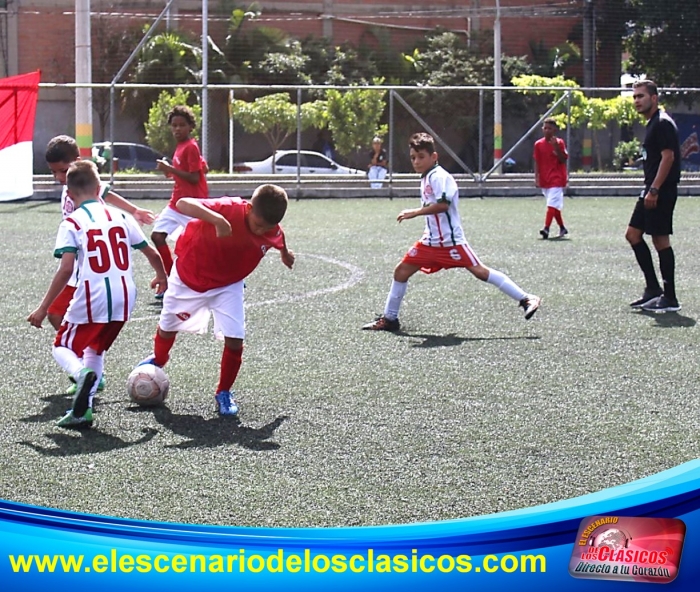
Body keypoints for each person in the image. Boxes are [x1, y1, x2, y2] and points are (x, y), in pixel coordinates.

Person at [27, 161, 168, 428]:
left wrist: (43, 307)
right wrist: (162, 277)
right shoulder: (122, 216)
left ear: (69, 194)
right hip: (126, 296)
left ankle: (81, 375)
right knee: (95, 349)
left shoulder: (71, 221)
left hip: (93, 294)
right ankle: (84, 411)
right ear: (98, 187)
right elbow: (151, 252)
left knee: (61, 347)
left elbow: (66, 268)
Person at [136, 184, 295, 417]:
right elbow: (183, 204)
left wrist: (285, 254)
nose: (261, 231)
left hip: (228, 285)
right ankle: (159, 359)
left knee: (235, 339)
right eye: (258, 224)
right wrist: (218, 220)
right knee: (168, 328)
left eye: (267, 227)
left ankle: (223, 392)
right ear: (249, 208)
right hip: (188, 278)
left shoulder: (271, 229)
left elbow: (278, 236)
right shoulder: (229, 208)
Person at [362, 132, 541, 332]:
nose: (416, 161)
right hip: (430, 243)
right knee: (401, 272)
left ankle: (526, 298)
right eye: (413, 157)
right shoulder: (427, 177)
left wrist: (415, 212)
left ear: (434, 157)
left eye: (421, 157)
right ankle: (390, 319)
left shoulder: (439, 177)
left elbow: (443, 205)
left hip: (451, 242)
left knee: (480, 271)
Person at [45, 135, 156, 394]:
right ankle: (88, 372)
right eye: (54, 173)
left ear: (77, 163)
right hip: (88, 265)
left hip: (89, 270)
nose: (59, 177)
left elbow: (109, 193)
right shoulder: (73, 186)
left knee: (53, 315)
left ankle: (85, 372)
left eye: (62, 170)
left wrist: (135, 210)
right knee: (60, 317)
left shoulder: (83, 187)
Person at [626, 80, 682, 313]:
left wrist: (655, 189)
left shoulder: (662, 123)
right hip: (650, 190)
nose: (637, 100)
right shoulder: (653, 124)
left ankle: (670, 298)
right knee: (633, 235)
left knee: (660, 241)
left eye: (641, 96)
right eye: (635, 97)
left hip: (660, 192)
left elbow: (668, 157)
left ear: (654, 98)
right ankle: (653, 289)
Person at [153, 105, 209, 298]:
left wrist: (171, 169)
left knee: (203, 246)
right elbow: (199, 170)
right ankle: (169, 280)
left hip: (192, 205)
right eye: (174, 125)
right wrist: (168, 170)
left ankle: (230, 277)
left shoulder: (191, 146)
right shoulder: (182, 147)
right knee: (157, 236)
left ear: (190, 127)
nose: (177, 129)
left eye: (182, 125)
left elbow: (194, 178)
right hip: (176, 203)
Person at [533, 118, 569, 239]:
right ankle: (562, 228)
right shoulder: (538, 144)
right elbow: (537, 161)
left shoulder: (559, 143)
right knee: (554, 206)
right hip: (544, 179)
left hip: (557, 179)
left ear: (554, 130)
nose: (547, 130)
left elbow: (563, 159)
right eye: (545, 128)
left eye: (549, 128)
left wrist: (556, 148)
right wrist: (536, 177)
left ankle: (546, 228)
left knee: (551, 205)